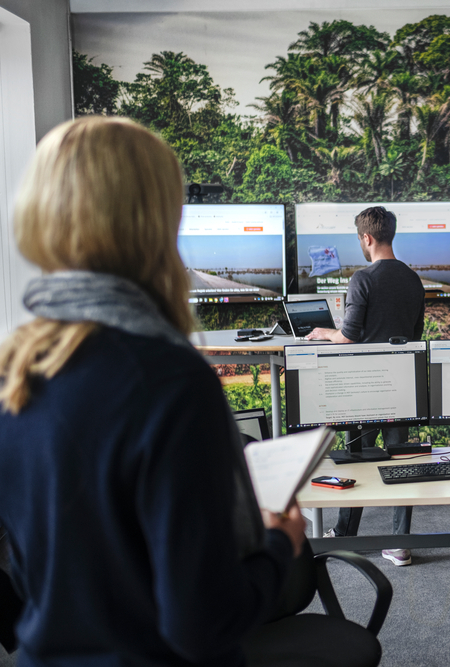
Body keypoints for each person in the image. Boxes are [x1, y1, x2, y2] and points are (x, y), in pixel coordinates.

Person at [0, 116, 306, 666]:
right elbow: (202, 625)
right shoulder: (168, 381)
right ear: (156, 222)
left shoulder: (12, 369)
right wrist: (280, 543)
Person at [305, 205, 425, 566]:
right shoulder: (413, 279)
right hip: (403, 384)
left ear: (367, 238)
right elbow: (415, 334)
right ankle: (399, 543)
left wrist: (326, 332)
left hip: (365, 389)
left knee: (356, 459)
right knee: (400, 461)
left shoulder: (362, 278)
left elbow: (349, 337)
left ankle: (346, 535)